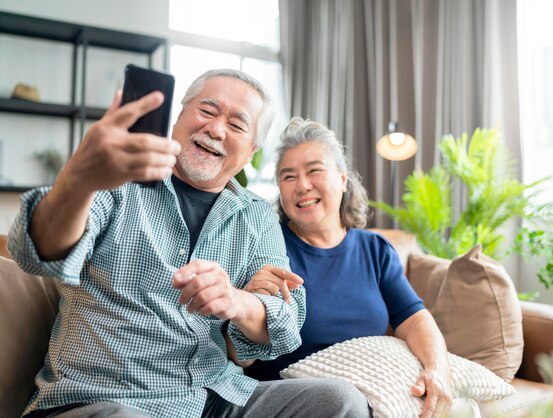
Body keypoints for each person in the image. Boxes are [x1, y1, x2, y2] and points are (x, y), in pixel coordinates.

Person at [8, 70, 371, 418]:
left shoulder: (257, 216)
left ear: (250, 151)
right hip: (103, 398)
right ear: (178, 117)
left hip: (214, 398)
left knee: (340, 402)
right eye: (207, 111)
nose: (215, 129)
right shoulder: (119, 179)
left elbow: (286, 322)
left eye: (236, 124)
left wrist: (236, 299)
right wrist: (80, 179)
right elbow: (36, 250)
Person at [243, 117, 454, 418]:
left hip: (369, 397)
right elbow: (242, 351)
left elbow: (416, 320)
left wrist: (437, 370)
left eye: (314, 170)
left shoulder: (374, 250)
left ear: (342, 178)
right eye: (288, 177)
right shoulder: (268, 246)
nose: (302, 185)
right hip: (294, 401)